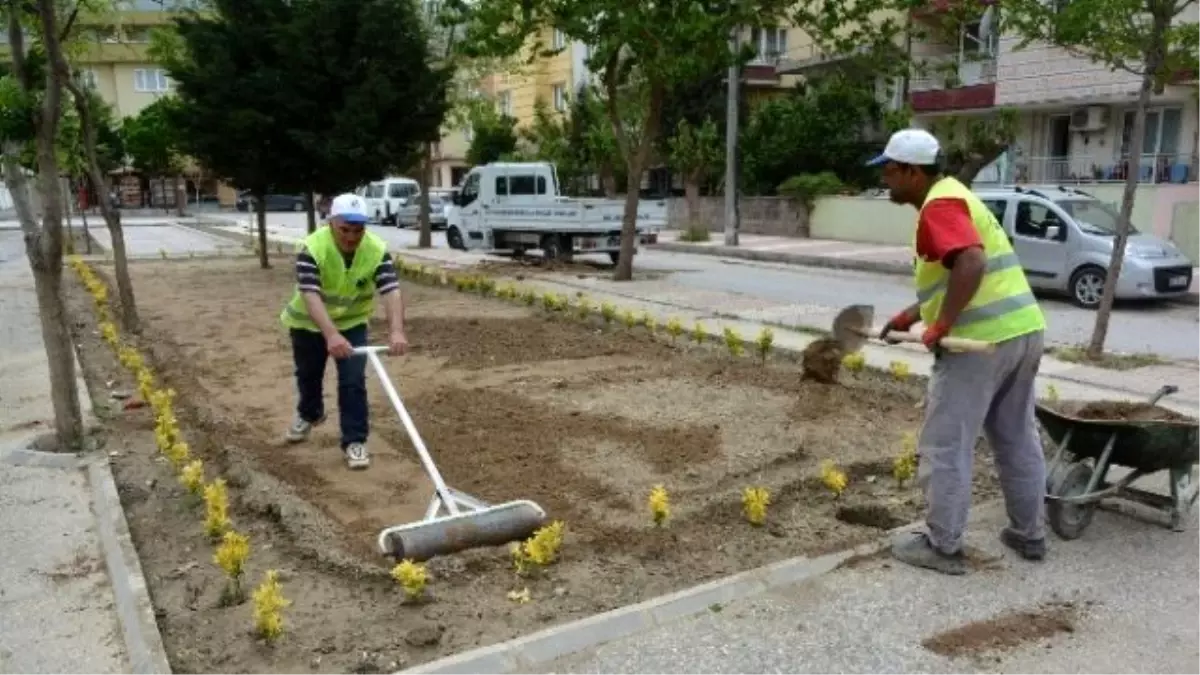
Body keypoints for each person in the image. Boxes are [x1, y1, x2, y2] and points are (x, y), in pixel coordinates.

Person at [869, 129, 1048, 575]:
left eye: (889, 171)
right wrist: (915, 314)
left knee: (946, 443)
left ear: (912, 172)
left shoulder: (939, 206)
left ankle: (942, 545)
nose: (884, 180)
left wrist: (943, 324)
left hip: (979, 346)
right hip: (1023, 331)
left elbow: (971, 261)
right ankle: (1030, 534)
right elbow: (958, 273)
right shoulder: (956, 195)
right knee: (1016, 437)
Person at [279, 192, 409, 470]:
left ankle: (355, 441)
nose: (352, 237)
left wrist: (396, 331)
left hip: (351, 325)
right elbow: (310, 293)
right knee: (309, 376)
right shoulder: (312, 248)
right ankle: (310, 413)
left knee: (353, 382)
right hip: (307, 324)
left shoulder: (375, 249)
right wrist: (330, 334)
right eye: (345, 230)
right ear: (331, 224)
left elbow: (390, 290)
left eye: (358, 230)